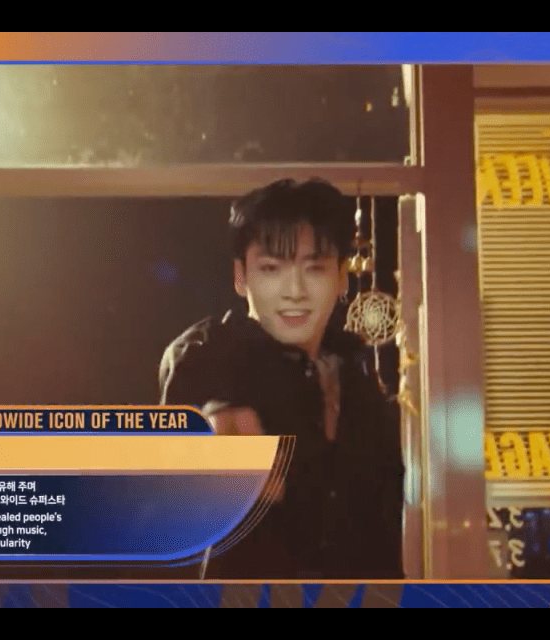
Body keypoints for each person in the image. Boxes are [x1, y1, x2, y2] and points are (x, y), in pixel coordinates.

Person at [158, 178, 405, 580]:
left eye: (315, 268)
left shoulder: (356, 375)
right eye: (272, 269)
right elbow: (195, 379)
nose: (294, 291)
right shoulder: (213, 354)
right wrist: (217, 416)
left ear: (342, 277)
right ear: (241, 277)